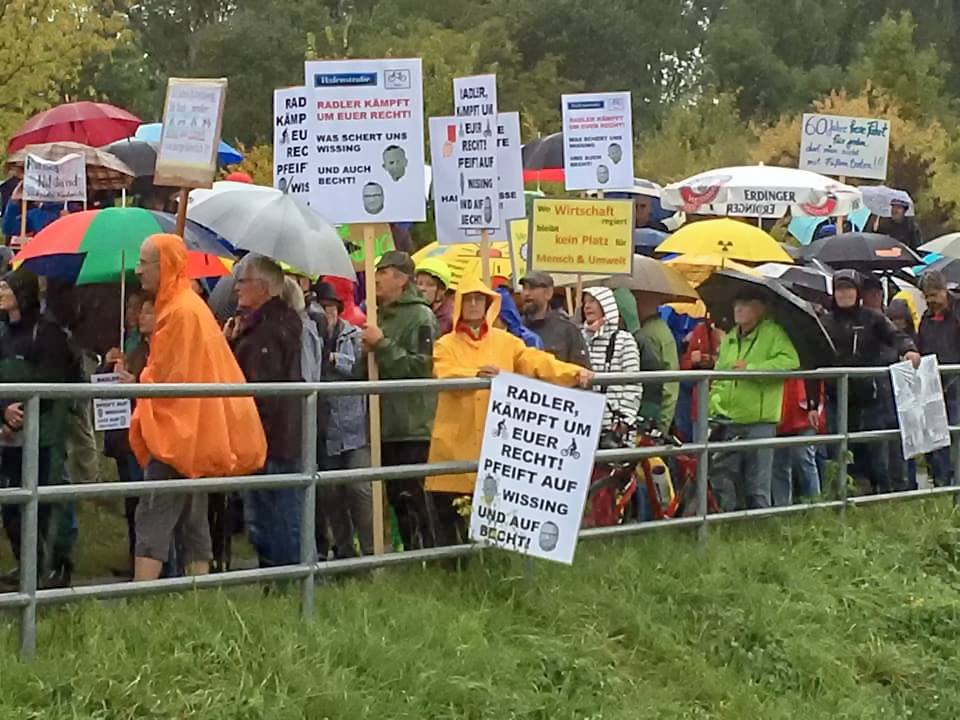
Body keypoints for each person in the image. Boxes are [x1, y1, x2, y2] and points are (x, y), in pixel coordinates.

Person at [130, 233, 266, 581]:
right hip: (193, 430)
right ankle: (198, 599)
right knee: (193, 518)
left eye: (145, 262)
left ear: (165, 266)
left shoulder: (178, 313)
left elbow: (169, 377)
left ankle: (139, 598)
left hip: (177, 431)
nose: (137, 269)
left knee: (154, 516)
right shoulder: (189, 306)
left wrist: (138, 380)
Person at [427, 276, 592, 546]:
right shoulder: (445, 344)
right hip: (455, 450)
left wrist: (575, 372)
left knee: (496, 530)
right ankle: (449, 579)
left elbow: (538, 362)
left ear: (489, 304)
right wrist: (477, 375)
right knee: (451, 534)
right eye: (467, 299)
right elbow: (444, 373)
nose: (473, 305)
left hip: (498, 449)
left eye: (479, 299)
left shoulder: (507, 342)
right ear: (458, 304)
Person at [0, 268, 81, 588]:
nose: (1, 294)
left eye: (5, 288)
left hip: (45, 433)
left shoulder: (48, 334)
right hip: (10, 432)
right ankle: (27, 565)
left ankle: (56, 566)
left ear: (22, 292)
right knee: (13, 505)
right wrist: (4, 412)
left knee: (48, 504)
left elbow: (54, 382)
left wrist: (25, 409)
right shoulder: (4, 333)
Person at [225, 254, 304, 568]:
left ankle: (286, 583)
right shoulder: (268, 324)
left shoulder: (269, 329)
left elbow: (263, 389)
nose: (236, 289)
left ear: (262, 286)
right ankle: (284, 581)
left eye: (242, 282)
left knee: (278, 520)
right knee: (272, 518)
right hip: (274, 437)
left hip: (272, 440)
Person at [358, 250, 438, 550]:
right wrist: (365, 354)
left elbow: (420, 367)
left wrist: (382, 344)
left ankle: (428, 559)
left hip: (412, 424)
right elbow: (367, 372)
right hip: (384, 424)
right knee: (396, 501)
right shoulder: (378, 316)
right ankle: (407, 558)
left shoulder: (420, 317)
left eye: (384, 271)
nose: (376, 277)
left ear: (402, 278)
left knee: (416, 499)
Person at [821, 270, 920, 495]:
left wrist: (909, 350)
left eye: (849, 288)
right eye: (839, 289)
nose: (844, 294)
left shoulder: (872, 318)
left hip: (870, 397)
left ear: (857, 292)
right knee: (841, 452)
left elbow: (896, 336)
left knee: (877, 453)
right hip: (836, 398)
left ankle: (884, 496)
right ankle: (846, 497)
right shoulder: (825, 322)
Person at [709, 289, 800, 509]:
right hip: (727, 420)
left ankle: (761, 531)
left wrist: (751, 369)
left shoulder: (774, 334)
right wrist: (714, 405)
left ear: (761, 308)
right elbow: (718, 375)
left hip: (759, 421)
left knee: (757, 485)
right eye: (736, 303)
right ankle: (728, 526)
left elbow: (790, 362)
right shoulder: (730, 336)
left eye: (746, 303)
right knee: (723, 479)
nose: (738, 308)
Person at [314, 281, 374, 558]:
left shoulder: (352, 334)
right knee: (331, 494)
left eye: (331, 308)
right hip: (325, 428)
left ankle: (372, 550)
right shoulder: (310, 336)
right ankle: (345, 550)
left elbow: (357, 366)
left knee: (360, 489)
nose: (327, 314)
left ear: (338, 310)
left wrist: (332, 357)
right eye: (322, 308)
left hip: (354, 427)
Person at [918, 270, 960, 485]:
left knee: (956, 431)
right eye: (927, 296)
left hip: (956, 381)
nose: (931, 301)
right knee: (937, 435)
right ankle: (943, 481)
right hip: (934, 382)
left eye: (934, 295)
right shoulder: (926, 318)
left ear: (945, 291)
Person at [580, 287, 642, 433]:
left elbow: (633, 383)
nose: (587, 306)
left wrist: (625, 420)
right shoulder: (578, 338)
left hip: (614, 427)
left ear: (605, 305)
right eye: (585, 302)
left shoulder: (624, 340)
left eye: (593, 301)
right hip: (584, 423)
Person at [520, 271, 590, 367]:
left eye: (532, 288)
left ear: (548, 293)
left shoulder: (567, 331)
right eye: (524, 288)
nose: (526, 293)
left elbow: (581, 372)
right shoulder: (514, 329)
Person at [633, 292, 679, 434]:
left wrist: (663, 423)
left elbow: (670, 381)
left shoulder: (651, 334)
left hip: (650, 412)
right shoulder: (658, 331)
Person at [771, 379, 822, 506]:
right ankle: (782, 509)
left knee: (803, 458)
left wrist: (813, 405)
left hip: (804, 408)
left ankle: (815, 506)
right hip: (780, 406)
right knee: (779, 463)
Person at [886, 298, 918, 491]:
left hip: (911, 395)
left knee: (911, 441)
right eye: (894, 320)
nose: (897, 324)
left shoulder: (913, 338)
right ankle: (899, 484)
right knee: (894, 443)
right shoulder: (887, 337)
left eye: (900, 320)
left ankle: (910, 482)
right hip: (892, 394)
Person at [415, 258, 454, 336]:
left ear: (441, 291)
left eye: (430, 284)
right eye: (419, 283)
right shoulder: (415, 309)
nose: (422, 288)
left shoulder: (448, 318)